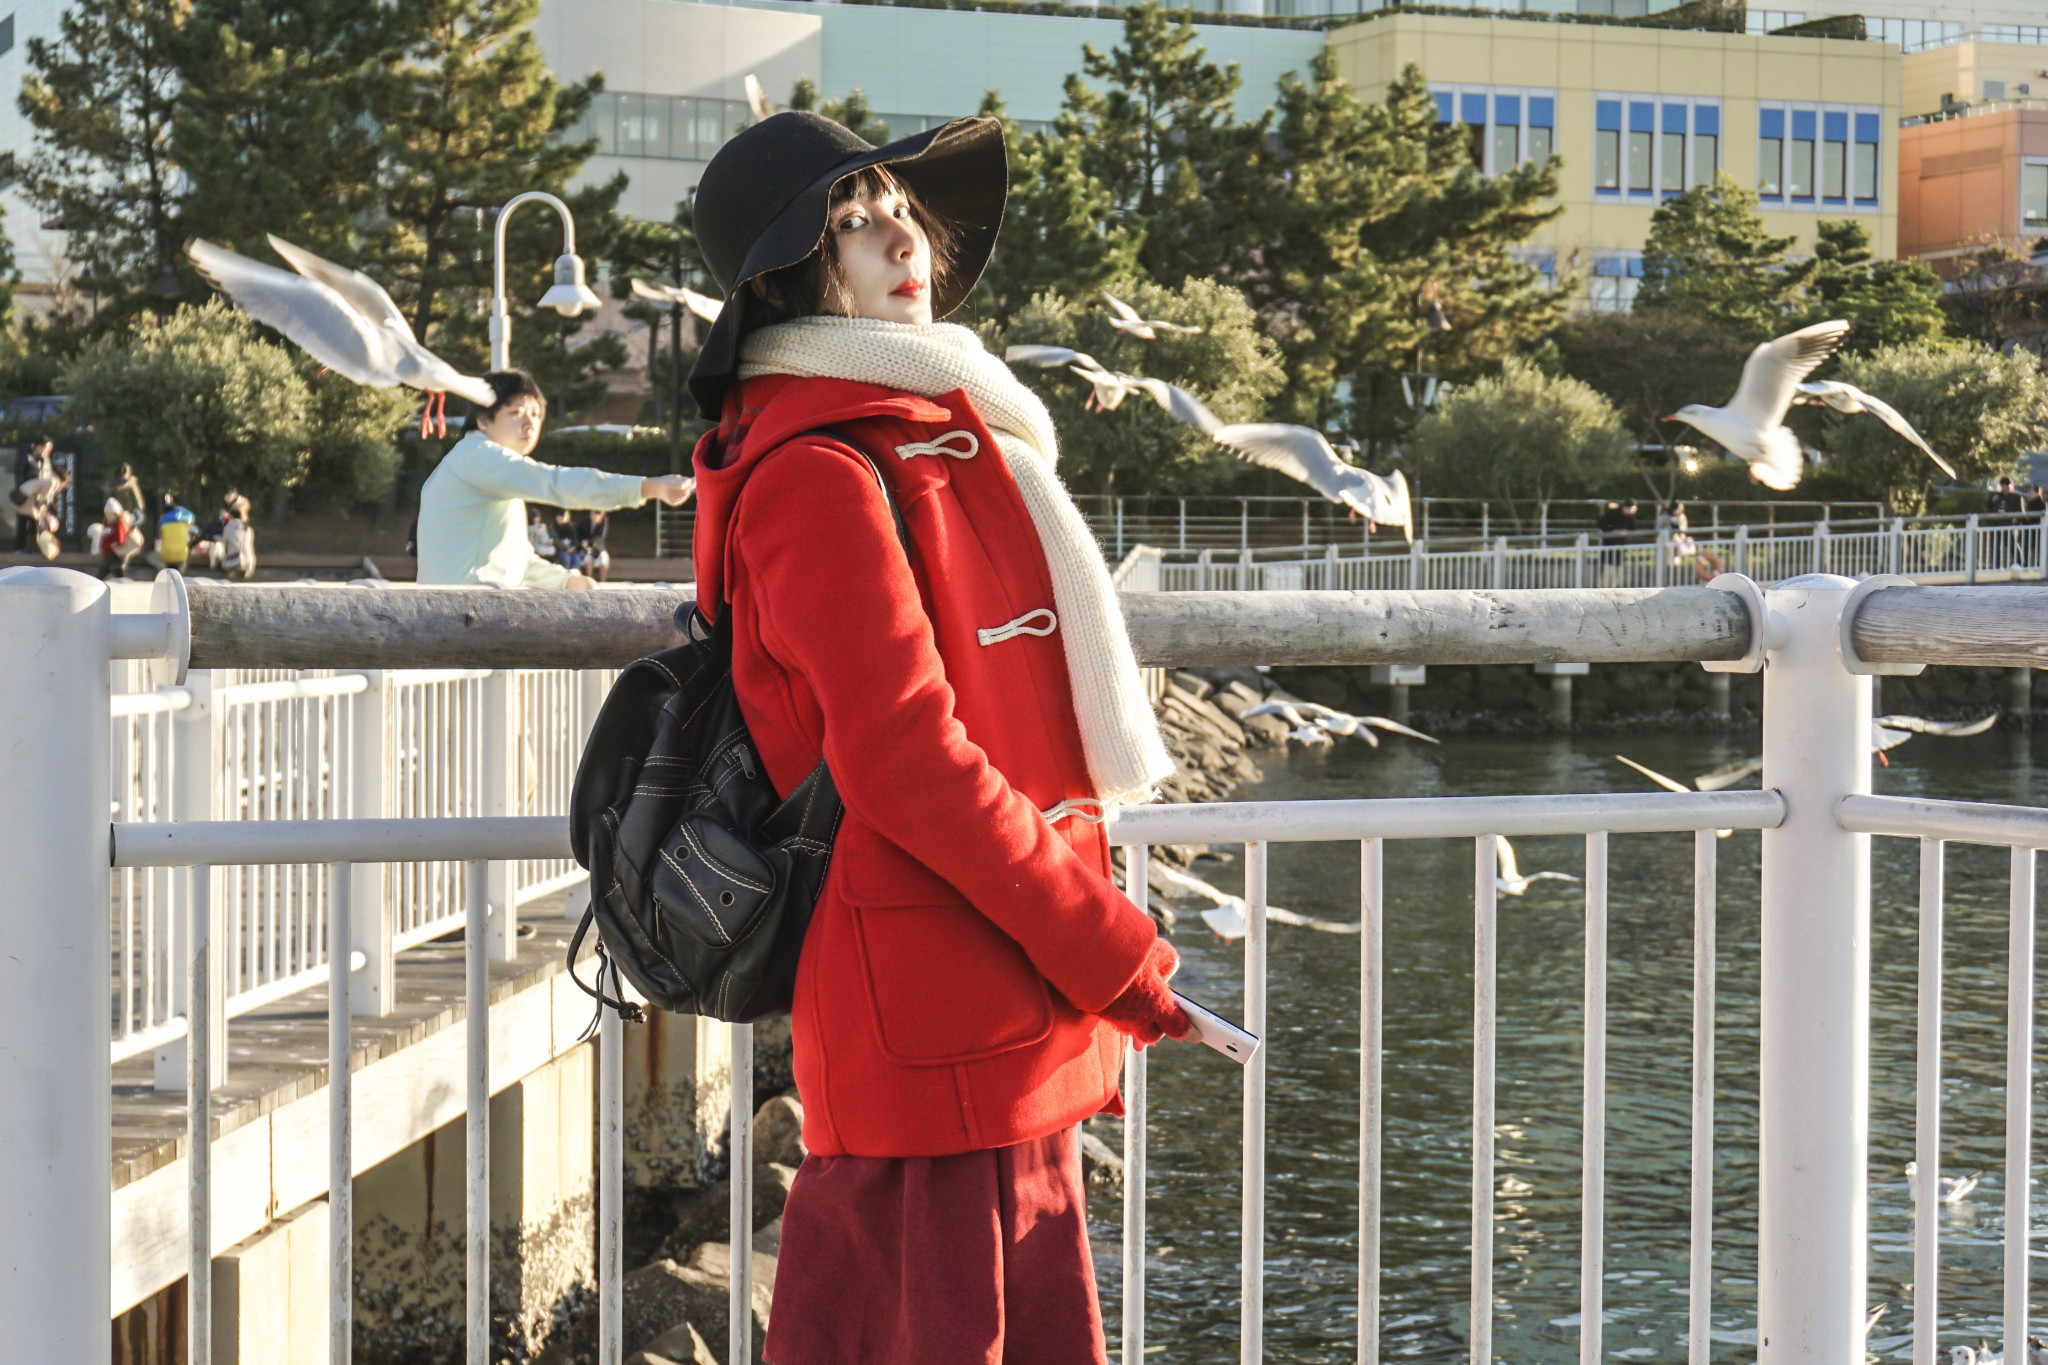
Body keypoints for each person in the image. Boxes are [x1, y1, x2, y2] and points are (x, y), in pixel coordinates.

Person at [686, 111, 1188, 1364]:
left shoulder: (916, 428)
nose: (901, 235)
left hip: (987, 980)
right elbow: (905, 759)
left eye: (899, 209)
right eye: (852, 222)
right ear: (787, 276)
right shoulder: (816, 471)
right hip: (931, 997)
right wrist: (1106, 945)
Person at [414, 370, 693, 589]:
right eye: (516, 413)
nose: (530, 423)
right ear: (483, 420)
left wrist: (567, 581)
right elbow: (555, 483)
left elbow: (517, 561)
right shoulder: (479, 457)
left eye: (536, 414)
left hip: (460, 616)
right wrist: (647, 487)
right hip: (465, 619)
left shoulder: (477, 463)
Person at [12, 438, 53, 551]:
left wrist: (47, 497)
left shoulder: (46, 460)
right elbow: (19, 475)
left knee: (38, 523)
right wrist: (24, 492)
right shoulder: (26, 456)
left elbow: (49, 478)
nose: (47, 451)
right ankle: (20, 548)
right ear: (39, 446)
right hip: (27, 494)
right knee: (23, 521)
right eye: (46, 448)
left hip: (40, 497)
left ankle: (37, 547)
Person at [95, 496, 141, 579]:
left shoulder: (118, 525)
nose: (108, 515)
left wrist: (111, 546)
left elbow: (120, 540)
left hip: (115, 556)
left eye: (111, 513)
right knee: (100, 577)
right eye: (107, 513)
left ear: (116, 514)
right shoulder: (107, 524)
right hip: (107, 556)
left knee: (117, 576)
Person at [156, 493, 196, 571]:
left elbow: (159, 535)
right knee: (185, 554)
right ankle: (181, 574)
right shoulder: (185, 521)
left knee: (153, 555)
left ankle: (162, 571)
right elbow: (192, 515)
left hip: (166, 556)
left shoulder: (161, 522)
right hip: (181, 556)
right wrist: (178, 507)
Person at [104, 463, 145, 531]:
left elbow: (138, 499)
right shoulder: (112, 484)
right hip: (118, 513)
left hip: (130, 513)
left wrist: (140, 511)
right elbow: (108, 500)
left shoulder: (131, 483)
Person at [578, 508, 611, 583]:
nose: (593, 517)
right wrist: (582, 543)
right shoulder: (584, 522)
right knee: (588, 559)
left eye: (596, 515)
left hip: (598, 548)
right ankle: (590, 582)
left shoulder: (603, 522)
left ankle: (603, 582)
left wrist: (588, 542)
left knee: (604, 559)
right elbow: (578, 535)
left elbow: (600, 538)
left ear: (601, 516)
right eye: (592, 514)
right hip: (585, 549)